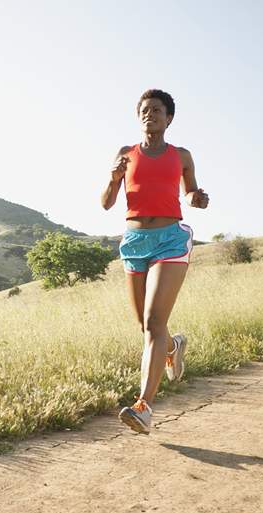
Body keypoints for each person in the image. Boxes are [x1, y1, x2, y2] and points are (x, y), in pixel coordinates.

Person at [100, 89, 209, 434]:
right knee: (147, 328)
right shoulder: (125, 154)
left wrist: (197, 197)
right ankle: (173, 346)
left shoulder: (182, 155)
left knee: (153, 320)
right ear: (139, 117)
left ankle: (144, 406)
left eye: (157, 110)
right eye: (145, 110)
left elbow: (192, 194)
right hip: (134, 242)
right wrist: (113, 177)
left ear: (169, 118)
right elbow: (106, 203)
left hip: (170, 240)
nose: (151, 115)